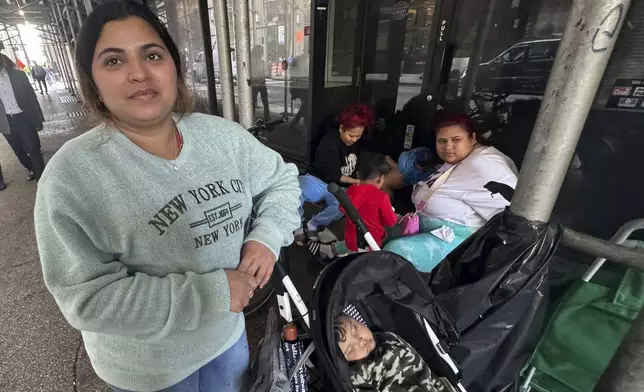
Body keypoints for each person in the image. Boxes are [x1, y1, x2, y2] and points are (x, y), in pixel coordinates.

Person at [33, 2, 301, 392]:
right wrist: (212, 294)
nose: (139, 73)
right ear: (92, 82)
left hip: (227, 341)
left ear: (173, 66)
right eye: (113, 61)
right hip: (149, 372)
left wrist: (267, 236)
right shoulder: (71, 178)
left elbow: (282, 180)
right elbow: (87, 298)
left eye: (152, 55)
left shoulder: (221, 137)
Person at [384, 115, 518, 272]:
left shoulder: (486, 165)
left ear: (472, 138)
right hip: (426, 229)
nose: (448, 146)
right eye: (442, 141)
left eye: (456, 140)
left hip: (456, 242)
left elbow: (511, 218)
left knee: (396, 253)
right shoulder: (457, 159)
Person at [294, 104, 374, 245]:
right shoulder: (329, 140)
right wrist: (358, 182)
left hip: (339, 188)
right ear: (341, 128)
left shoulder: (358, 143)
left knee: (345, 205)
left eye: (358, 136)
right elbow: (331, 174)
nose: (354, 139)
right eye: (351, 135)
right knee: (296, 188)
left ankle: (313, 224)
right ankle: (296, 225)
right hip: (319, 181)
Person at [335, 312, 457, 392]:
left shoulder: (388, 337)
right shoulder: (357, 375)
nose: (360, 341)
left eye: (355, 330)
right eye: (350, 350)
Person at [308, 153, 397, 260]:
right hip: (372, 240)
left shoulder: (352, 189)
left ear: (358, 175)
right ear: (381, 178)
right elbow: (390, 222)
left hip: (351, 236)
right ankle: (333, 252)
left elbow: (343, 208)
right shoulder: (382, 197)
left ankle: (328, 250)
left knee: (349, 245)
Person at [0, 54, 45, 181]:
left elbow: (32, 97)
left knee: (34, 149)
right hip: (6, 122)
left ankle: (42, 180)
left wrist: (38, 119)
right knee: (19, 152)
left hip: (24, 118)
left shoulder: (18, 75)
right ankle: (31, 168)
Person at [250, 45, 270, 121]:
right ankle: (267, 118)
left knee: (253, 102)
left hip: (253, 83)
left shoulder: (249, 62)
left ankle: (251, 117)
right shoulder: (262, 62)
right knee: (265, 102)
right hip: (261, 83)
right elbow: (266, 74)